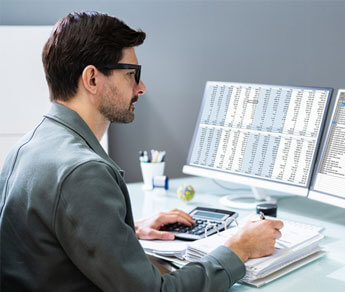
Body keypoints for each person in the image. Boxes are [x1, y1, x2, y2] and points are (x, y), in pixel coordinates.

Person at [0, 11, 283, 291]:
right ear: (93, 79)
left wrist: (124, 232)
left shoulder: (26, 148)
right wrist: (237, 249)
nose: (141, 88)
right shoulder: (83, 172)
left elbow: (46, 246)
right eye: (132, 75)